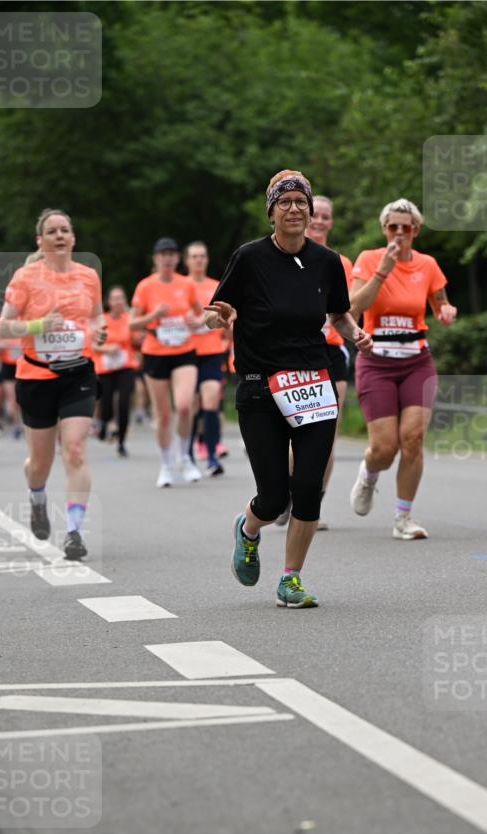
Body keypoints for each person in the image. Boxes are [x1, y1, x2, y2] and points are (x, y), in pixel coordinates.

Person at [205, 169, 372, 608]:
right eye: (286, 202)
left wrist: (356, 334)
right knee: (274, 495)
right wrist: (215, 317)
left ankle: (290, 578)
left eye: (302, 202)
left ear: (311, 210)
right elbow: (218, 306)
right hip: (261, 386)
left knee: (309, 485)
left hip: (313, 382)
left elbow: (338, 314)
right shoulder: (249, 258)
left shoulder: (327, 262)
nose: (295, 209)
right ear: (272, 212)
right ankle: (249, 528)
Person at [0, 208, 106, 559]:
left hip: (79, 373)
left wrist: (99, 332)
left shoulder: (89, 276)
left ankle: (74, 531)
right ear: (40, 241)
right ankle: (37, 496)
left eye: (65, 230)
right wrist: (36, 327)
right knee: (39, 462)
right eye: (52, 231)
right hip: (36, 376)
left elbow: (96, 317)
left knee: (74, 449)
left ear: (73, 238)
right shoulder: (26, 277)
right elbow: (2, 328)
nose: (59, 236)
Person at [348, 198, 457, 538]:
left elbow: (440, 303)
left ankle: (403, 518)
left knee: (412, 439)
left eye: (405, 227)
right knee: (384, 448)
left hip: (416, 361)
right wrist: (383, 269)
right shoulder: (368, 259)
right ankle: (369, 473)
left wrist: (445, 312)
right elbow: (352, 306)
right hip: (376, 362)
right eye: (392, 226)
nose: (398, 233)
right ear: (384, 229)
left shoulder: (428, 265)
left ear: (416, 230)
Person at [275, 195, 354, 529]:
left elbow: (346, 309)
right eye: (315, 214)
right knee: (294, 434)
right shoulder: (283, 257)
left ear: (330, 222)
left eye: (325, 216)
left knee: (326, 433)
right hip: (291, 353)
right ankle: (283, 494)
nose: (319, 220)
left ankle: (312, 505)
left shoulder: (340, 262)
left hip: (331, 351)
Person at [130, 238, 205, 486]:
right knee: (162, 414)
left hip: (184, 351)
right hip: (155, 353)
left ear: (177, 258)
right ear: (155, 258)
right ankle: (166, 465)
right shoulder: (145, 287)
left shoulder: (186, 284)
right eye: (163, 254)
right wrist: (154, 315)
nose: (168, 258)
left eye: (172, 254)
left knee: (184, 406)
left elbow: (200, 312)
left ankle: (184, 457)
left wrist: (197, 320)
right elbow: (133, 323)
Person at [184, 241, 229, 476]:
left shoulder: (216, 286)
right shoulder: (181, 286)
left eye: (202, 256)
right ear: (187, 260)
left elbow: (225, 316)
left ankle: (211, 457)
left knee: (210, 400)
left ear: (207, 259)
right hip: (186, 354)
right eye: (194, 256)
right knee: (190, 406)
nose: (199, 260)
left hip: (212, 352)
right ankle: (188, 455)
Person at [94, 285, 138, 457]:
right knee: (106, 403)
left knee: (124, 401)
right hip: (105, 367)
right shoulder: (101, 320)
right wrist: (106, 349)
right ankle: (104, 421)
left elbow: (136, 340)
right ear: (109, 302)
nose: (118, 301)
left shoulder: (130, 319)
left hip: (125, 366)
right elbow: (93, 344)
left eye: (121, 298)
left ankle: (121, 441)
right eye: (115, 298)